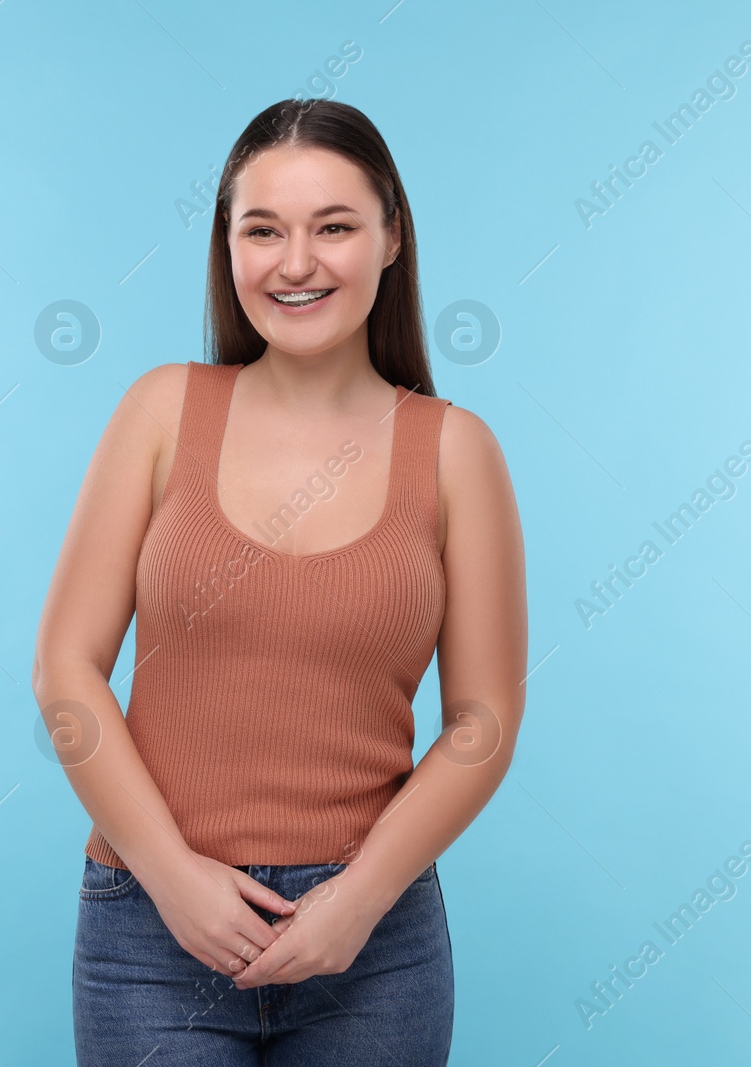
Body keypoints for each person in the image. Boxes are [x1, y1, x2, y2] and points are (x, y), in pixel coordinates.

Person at [33, 97, 526, 1064]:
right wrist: (171, 876)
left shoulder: (457, 451)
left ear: (391, 240)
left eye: (333, 227)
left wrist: (361, 898)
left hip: (373, 945)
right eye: (263, 230)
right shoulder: (161, 410)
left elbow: (484, 723)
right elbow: (66, 671)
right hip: (148, 933)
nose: (295, 263)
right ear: (228, 248)